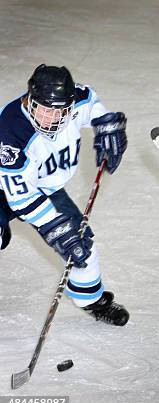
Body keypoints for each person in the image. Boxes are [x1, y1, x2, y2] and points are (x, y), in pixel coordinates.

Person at [0, 64, 129, 326]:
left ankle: (92, 299)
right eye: (46, 110)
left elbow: (90, 100)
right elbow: (20, 198)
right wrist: (56, 227)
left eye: (60, 111)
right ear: (30, 100)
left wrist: (106, 125)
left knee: (81, 248)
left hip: (46, 187)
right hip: (6, 190)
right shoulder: (10, 132)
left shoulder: (74, 102)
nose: (53, 118)